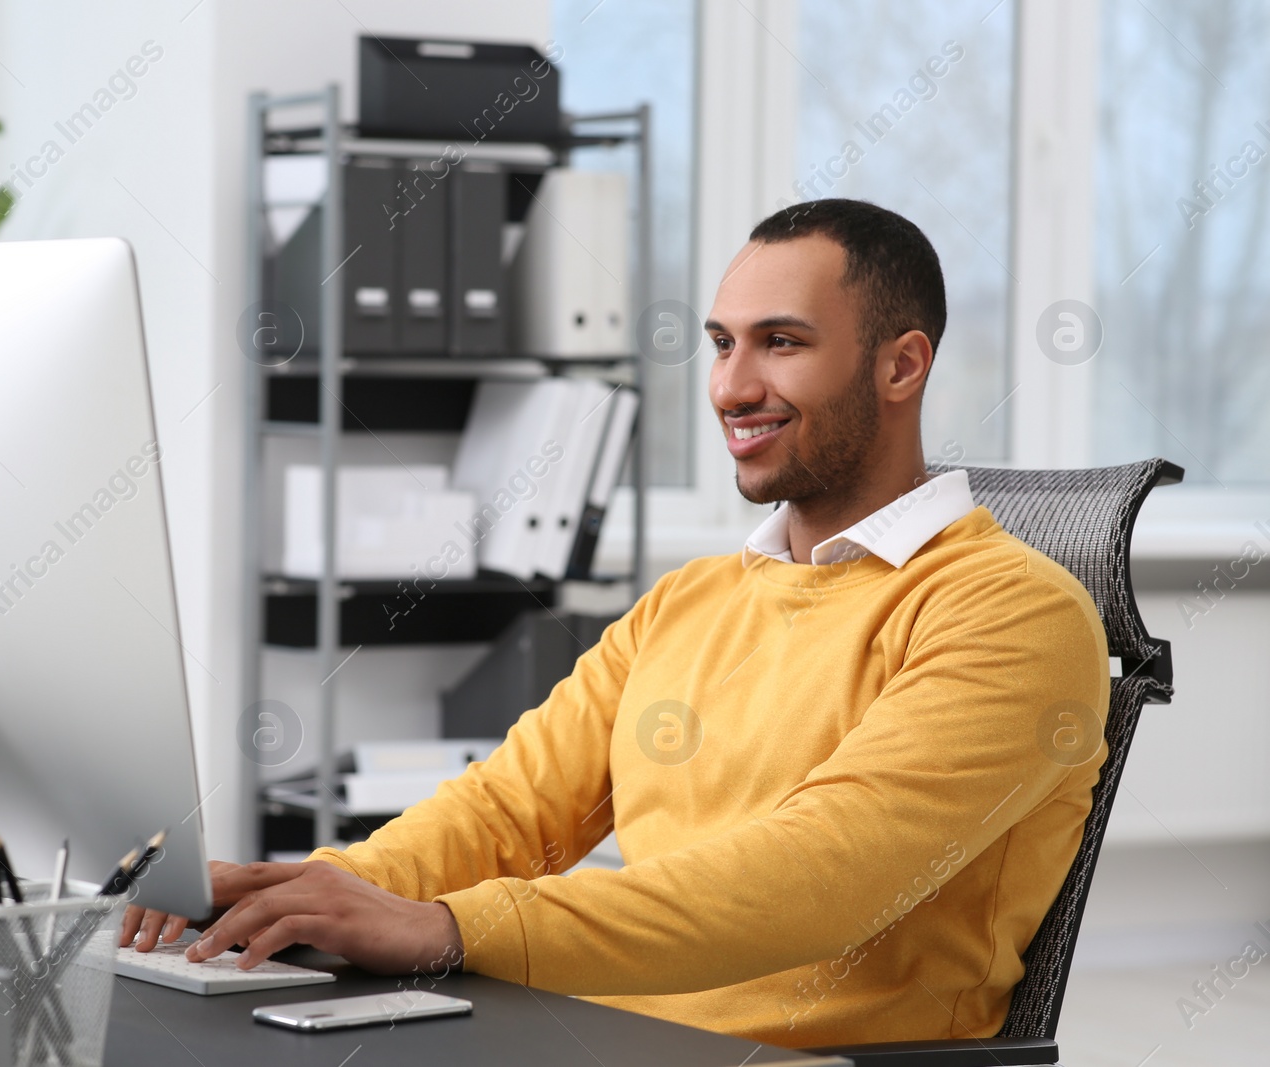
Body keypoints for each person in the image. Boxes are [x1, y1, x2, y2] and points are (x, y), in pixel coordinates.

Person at [121, 198, 1108, 1047]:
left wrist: (443, 927)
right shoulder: (692, 600)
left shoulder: (1011, 611)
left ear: (901, 367)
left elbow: (815, 877)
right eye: (722, 343)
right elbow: (507, 813)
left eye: (782, 341)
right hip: (598, 1035)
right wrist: (308, 891)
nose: (730, 386)